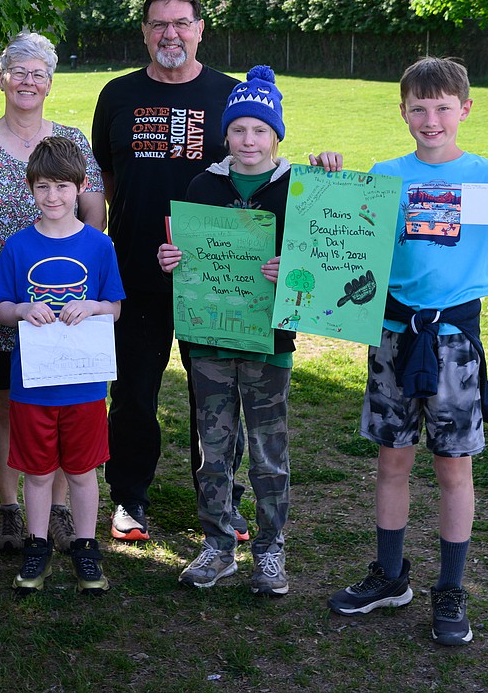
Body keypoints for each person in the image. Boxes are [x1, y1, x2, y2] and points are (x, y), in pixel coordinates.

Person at [326, 57, 488, 645]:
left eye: (442, 107)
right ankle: (390, 576)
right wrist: (330, 178)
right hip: (393, 337)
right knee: (392, 462)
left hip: (454, 346)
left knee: (452, 469)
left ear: (465, 109)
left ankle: (451, 587)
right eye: (419, 108)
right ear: (403, 111)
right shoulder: (386, 177)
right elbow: (339, 240)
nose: (430, 119)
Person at [157, 67, 343, 595]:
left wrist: (294, 271)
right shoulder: (202, 186)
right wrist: (170, 260)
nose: (249, 140)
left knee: (267, 452)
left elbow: (327, 263)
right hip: (209, 341)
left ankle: (270, 548)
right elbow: (188, 256)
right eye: (238, 129)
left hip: (269, 343)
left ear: (276, 135)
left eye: (260, 130)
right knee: (212, 450)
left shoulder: (301, 190)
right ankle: (218, 545)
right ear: (225, 134)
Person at [91, 0, 246, 543]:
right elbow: (105, 181)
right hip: (134, 269)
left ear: (201, 29)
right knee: (133, 393)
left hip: (217, 275)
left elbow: (257, 176)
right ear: (144, 32)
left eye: (181, 23)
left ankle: (224, 498)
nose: (170, 34)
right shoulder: (117, 95)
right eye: (159, 24)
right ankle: (129, 499)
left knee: (218, 395)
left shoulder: (231, 97)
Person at [0, 32, 106, 554]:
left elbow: (95, 212)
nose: (27, 81)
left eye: (38, 73)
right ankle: (11, 506)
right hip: (6, 298)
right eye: (18, 71)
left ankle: (59, 507)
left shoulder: (72, 141)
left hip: (70, 303)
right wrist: (12, 277)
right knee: (4, 401)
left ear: (50, 82)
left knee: (63, 395)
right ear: (2, 78)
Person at [0, 137, 125, 596]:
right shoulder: (18, 246)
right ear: (31, 190)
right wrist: (24, 310)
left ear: (82, 187)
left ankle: (86, 548)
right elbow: (2, 308)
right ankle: (37, 545)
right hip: (33, 385)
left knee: (83, 472)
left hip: (84, 386)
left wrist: (93, 306)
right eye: (43, 187)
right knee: (39, 473)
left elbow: (115, 308)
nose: (53, 197)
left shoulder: (99, 245)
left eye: (62, 187)